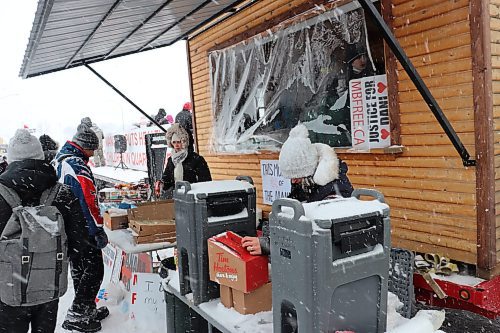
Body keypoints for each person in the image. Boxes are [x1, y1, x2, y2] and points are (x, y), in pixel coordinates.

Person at [0, 129, 89, 333]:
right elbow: (80, 244)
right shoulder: (63, 194)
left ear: (11, 159)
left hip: (8, 291)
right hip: (49, 289)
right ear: (41, 157)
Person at [241, 123, 353, 255]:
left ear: (308, 169)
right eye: (290, 177)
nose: (293, 181)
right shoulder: (306, 183)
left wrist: (271, 244)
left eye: (296, 176)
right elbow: (288, 212)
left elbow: (318, 235)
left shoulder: (337, 190)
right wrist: (268, 232)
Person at [53, 123, 109, 332]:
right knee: (94, 269)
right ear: (85, 147)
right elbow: (87, 199)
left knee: (80, 268)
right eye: (92, 149)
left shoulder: (61, 160)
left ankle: (86, 309)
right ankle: (78, 314)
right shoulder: (77, 165)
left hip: (67, 224)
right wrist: (97, 230)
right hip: (80, 225)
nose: (93, 154)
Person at [154, 124, 211, 199]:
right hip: (178, 197)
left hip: (194, 198)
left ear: (184, 142)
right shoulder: (171, 160)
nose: (176, 145)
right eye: (174, 142)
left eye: (179, 142)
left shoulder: (196, 159)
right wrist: (161, 183)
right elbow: (167, 178)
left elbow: (205, 182)